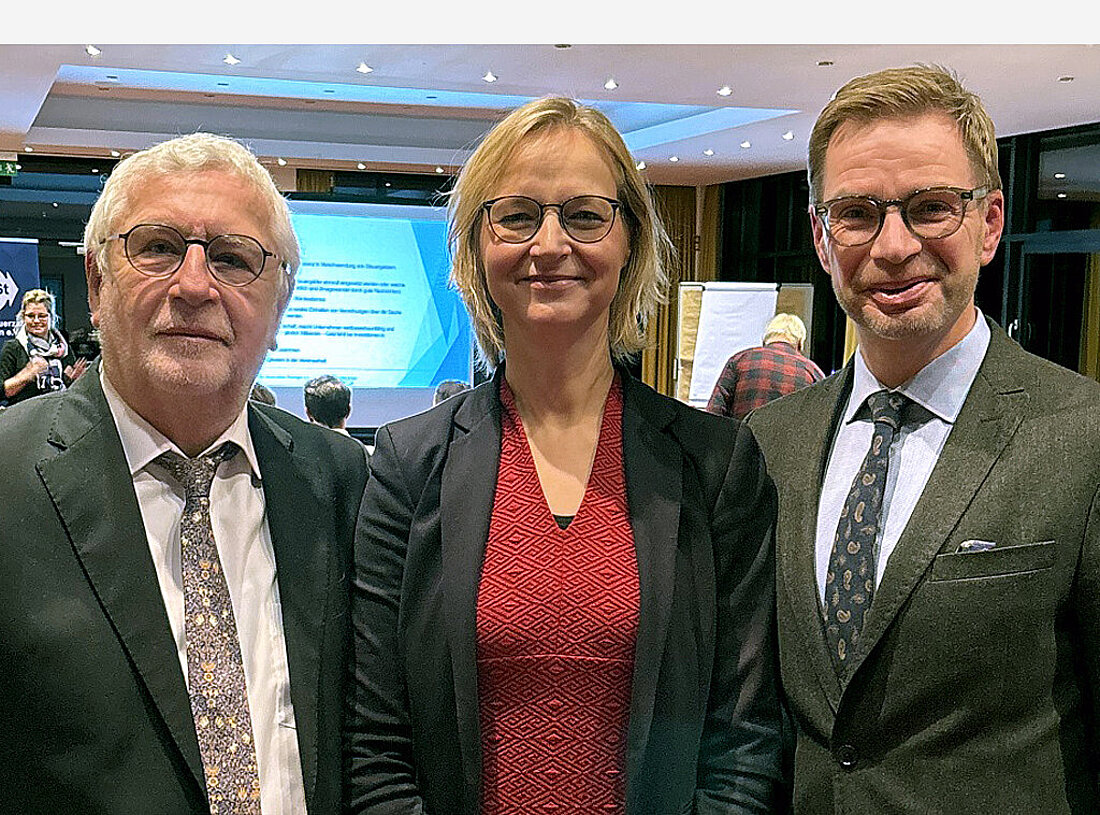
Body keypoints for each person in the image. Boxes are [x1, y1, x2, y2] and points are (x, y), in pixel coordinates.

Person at [345, 97, 785, 815]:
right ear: (476, 246)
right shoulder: (407, 466)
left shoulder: (717, 466)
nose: (549, 244)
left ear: (630, 243)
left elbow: (747, 743)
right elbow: (376, 748)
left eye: (584, 215)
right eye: (517, 215)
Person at [745, 65, 1100, 814]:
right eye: (857, 212)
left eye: (931, 207)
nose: (894, 245)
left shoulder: (1084, 438)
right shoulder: (770, 443)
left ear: (991, 222)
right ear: (820, 234)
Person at [0, 133, 368, 814]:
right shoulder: (7, 474)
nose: (195, 285)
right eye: (159, 247)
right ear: (96, 281)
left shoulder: (337, 480)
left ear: (280, 305)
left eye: (233, 259)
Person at [707, 313, 824, 420]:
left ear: (765, 339)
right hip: (788, 442)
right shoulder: (812, 372)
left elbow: (715, 412)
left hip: (740, 441)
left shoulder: (740, 360)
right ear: (799, 343)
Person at [1, 288, 89, 405]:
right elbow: (2, 392)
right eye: (31, 316)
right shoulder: (13, 348)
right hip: (25, 416)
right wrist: (27, 374)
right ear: (23, 317)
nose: (36, 321)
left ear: (50, 316)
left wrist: (70, 380)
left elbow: (70, 389)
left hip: (57, 413)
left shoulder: (62, 348)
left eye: (42, 316)